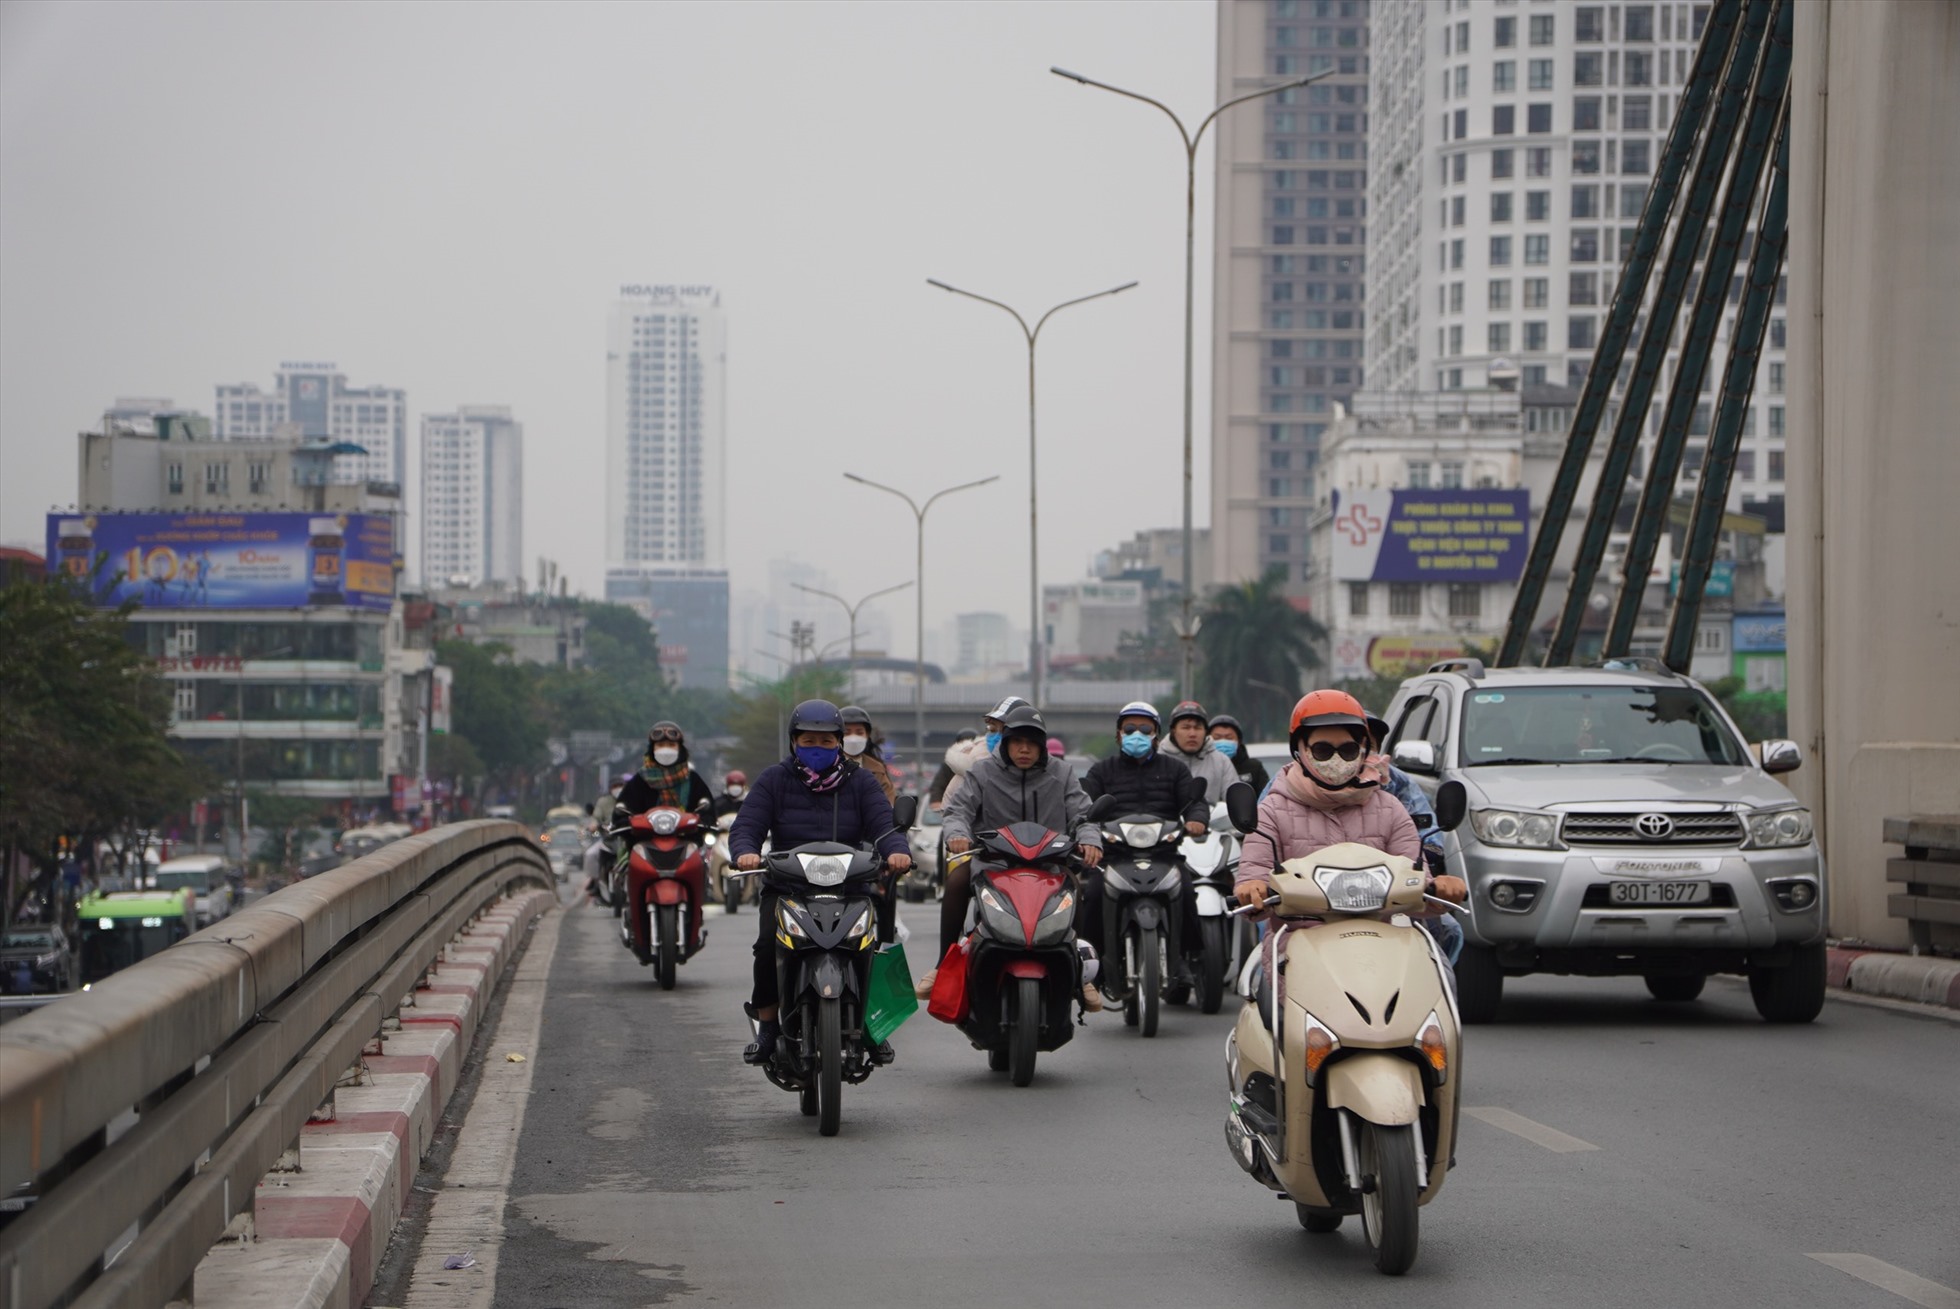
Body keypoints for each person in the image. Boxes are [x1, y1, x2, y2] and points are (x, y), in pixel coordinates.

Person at [729, 700, 912, 1065]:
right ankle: (768, 1028)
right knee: (767, 947)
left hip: (850, 888)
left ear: (839, 743)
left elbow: (883, 825)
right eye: (809, 740)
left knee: (870, 946)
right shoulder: (773, 780)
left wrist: (898, 851)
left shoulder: (860, 781)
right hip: (788, 889)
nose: (818, 748)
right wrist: (745, 851)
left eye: (826, 741)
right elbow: (746, 826)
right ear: (794, 741)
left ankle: (874, 1028)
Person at [918, 703, 1106, 1009]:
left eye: (1032, 743)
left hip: (1050, 866)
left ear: (1042, 746)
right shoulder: (981, 773)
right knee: (955, 882)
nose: (1024, 749)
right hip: (993, 863)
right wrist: (956, 835)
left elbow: (1083, 814)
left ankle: (1079, 975)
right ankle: (943, 965)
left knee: (1075, 890)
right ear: (1005, 742)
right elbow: (958, 811)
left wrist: (1089, 840)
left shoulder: (1063, 773)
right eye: (1018, 741)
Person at [1233, 690, 1465, 920]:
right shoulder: (1272, 810)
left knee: (1434, 951)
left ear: (1363, 750)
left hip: (1382, 941)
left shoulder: (1391, 808)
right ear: (1300, 751)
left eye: (1348, 750)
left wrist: (1441, 888)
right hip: (1298, 938)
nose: (1336, 759)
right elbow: (1255, 876)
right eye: (1322, 750)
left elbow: (1416, 882)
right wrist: (1253, 889)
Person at [1081, 701, 1209, 995]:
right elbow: (1084, 808)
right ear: (1118, 735)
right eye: (1129, 729)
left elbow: (1194, 802)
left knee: (1187, 892)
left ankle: (1184, 959)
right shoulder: (1101, 772)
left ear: (1156, 735)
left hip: (1163, 854)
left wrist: (1196, 820)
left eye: (1144, 729)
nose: (1136, 734)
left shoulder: (1175, 770)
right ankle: (1093, 966)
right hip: (1114, 855)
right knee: (1093, 895)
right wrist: (1088, 836)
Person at [940, 696, 1030, 809]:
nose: (996, 737)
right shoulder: (967, 774)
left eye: (1005, 731)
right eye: (992, 730)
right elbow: (953, 819)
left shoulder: (1046, 774)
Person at [615, 721, 716, 821]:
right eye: (660, 745)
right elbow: (623, 812)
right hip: (646, 836)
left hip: (687, 835)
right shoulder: (640, 780)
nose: (666, 750)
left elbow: (709, 812)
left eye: (671, 745)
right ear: (652, 749)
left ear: (680, 749)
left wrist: (704, 819)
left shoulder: (692, 779)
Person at [1164, 700, 1241, 803]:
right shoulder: (1158, 759)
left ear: (1206, 732)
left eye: (1197, 728)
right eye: (1185, 727)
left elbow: (1235, 801)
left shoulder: (1221, 762)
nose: (1192, 734)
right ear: (1173, 731)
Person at [583, 772, 633, 903]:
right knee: (590, 855)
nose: (618, 788)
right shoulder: (603, 802)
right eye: (615, 786)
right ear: (610, 788)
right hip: (608, 840)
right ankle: (595, 883)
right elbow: (596, 816)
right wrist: (593, 824)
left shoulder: (630, 799)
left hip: (626, 839)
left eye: (620, 785)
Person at [839, 705, 898, 805]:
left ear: (867, 735)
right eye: (847, 732)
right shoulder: (825, 765)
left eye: (859, 732)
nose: (853, 738)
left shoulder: (877, 769)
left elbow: (887, 805)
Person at [1207, 713, 1271, 797]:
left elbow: (1266, 797)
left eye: (1229, 738)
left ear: (1239, 741)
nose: (1223, 742)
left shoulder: (1254, 768)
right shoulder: (1203, 766)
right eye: (1217, 738)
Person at [927, 729, 977, 809]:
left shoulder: (984, 764)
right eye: (963, 743)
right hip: (953, 809)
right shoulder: (949, 765)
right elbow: (938, 786)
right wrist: (936, 802)